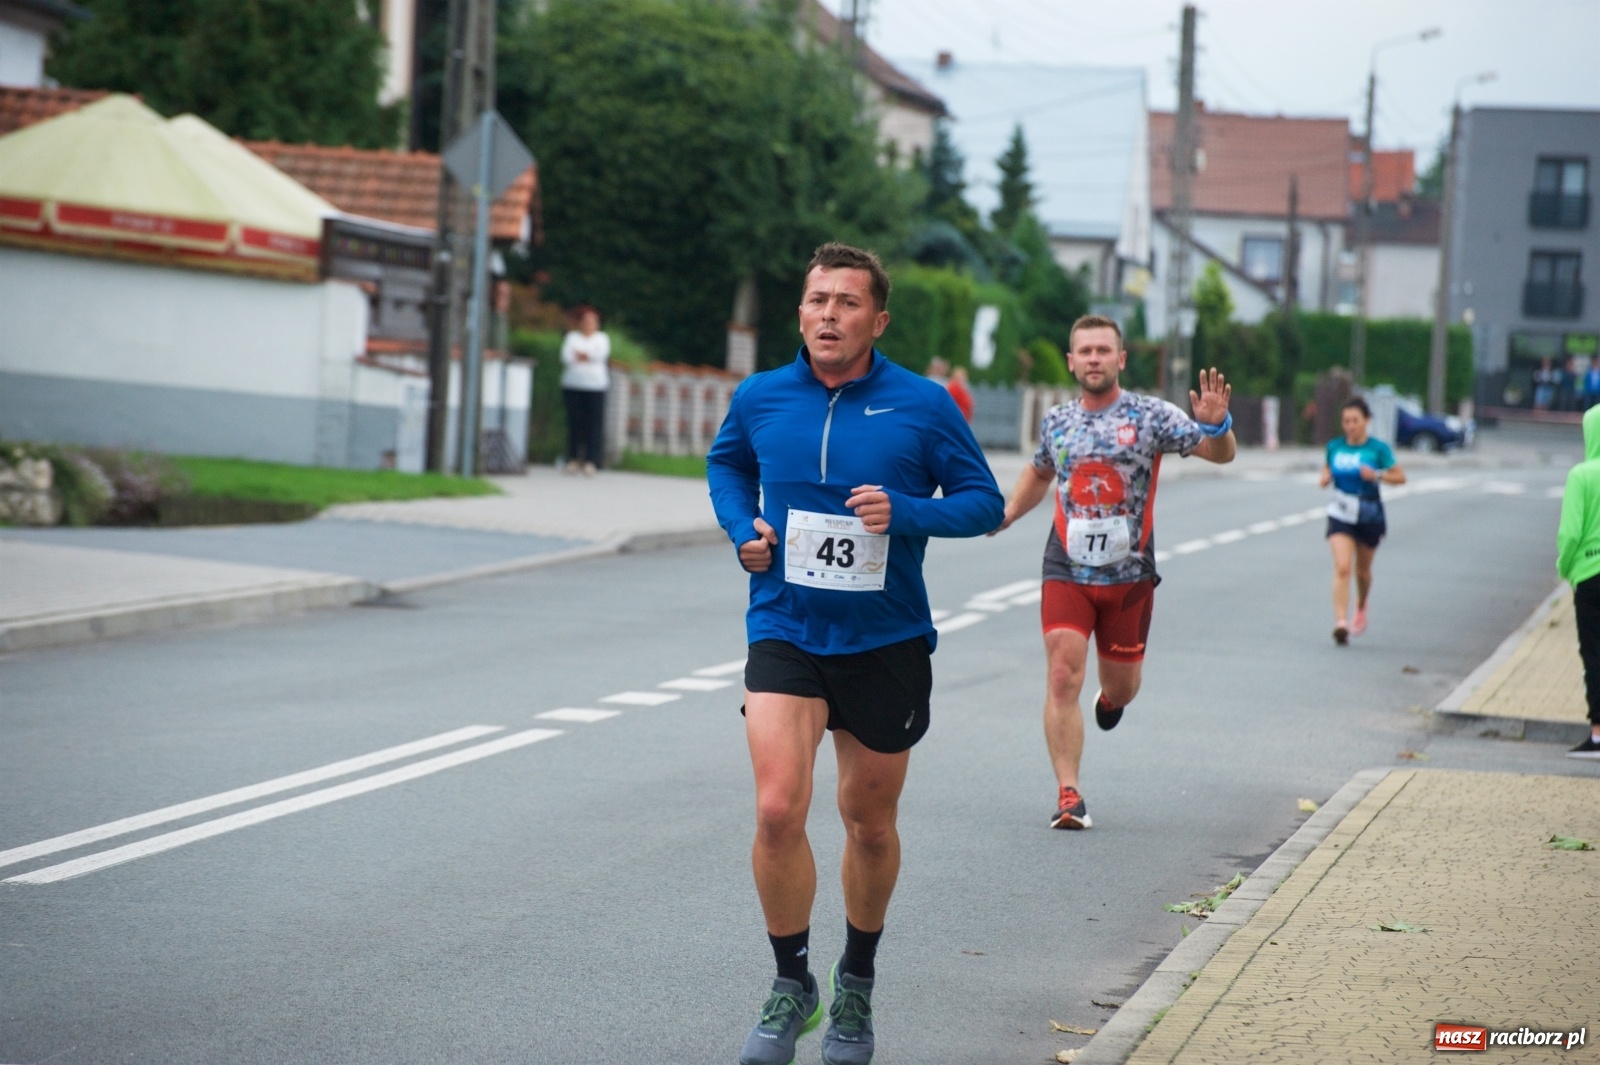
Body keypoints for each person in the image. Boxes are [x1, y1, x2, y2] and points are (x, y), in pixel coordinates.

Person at [708, 243, 1004, 1065]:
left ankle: (856, 983)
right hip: (786, 627)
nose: (828, 314)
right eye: (817, 300)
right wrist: (741, 528)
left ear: (879, 319)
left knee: (868, 823)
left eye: (846, 302)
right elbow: (727, 463)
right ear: (799, 313)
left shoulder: (924, 404)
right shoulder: (761, 396)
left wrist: (906, 510)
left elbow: (983, 503)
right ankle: (791, 981)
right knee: (777, 809)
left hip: (885, 638)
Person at [990, 315, 1236, 831]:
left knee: (1121, 687)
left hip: (1129, 578)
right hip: (1067, 568)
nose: (1095, 359)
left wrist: (1217, 427)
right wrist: (1009, 512)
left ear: (1121, 359)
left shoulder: (1151, 416)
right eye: (1086, 351)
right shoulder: (1057, 421)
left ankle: (1111, 700)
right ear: (1071, 361)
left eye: (1104, 350)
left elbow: (1219, 456)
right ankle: (1069, 794)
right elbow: (1039, 470)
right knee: (1062, 674)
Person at [1320, 396, 1405, 645]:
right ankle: (1341, 623)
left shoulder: (1378, 449)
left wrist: (1376, 475)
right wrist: (1325, 477)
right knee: (1343, 567)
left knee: (1363, 572)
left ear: (1366, 421)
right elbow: (1327, 468)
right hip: (1341, 512)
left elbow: (1400, 477)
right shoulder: (1335, 446)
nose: (1350, 426)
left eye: (1355, 421)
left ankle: (1361, 604)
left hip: (1369, 513)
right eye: (1346, 421)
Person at [1556, 403, 1600, 759]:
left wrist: (1565, 568)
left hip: (1590, 574)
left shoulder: (1582, 475)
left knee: (1595, 652)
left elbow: (1570, 534)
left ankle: (1598, 734)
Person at [559, 306, 610, 475]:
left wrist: (583, 355)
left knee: (593, 424)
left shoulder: (602, 338)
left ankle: (591, 460)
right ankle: (573, 458)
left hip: (595, 386)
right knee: (575, 423)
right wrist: (588, 356)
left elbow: (599, 355)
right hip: (573, 385)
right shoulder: (572, 338)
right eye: (586, 321)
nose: (588, 324)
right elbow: (566, 357)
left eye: (592, 321)